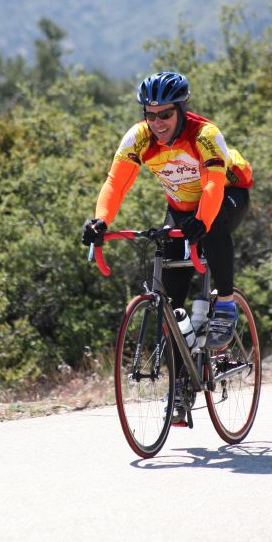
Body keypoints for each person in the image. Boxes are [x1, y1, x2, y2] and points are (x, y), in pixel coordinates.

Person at [82, 71, 252, 352]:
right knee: (170, 301)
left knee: (212, 227)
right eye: (151, 115)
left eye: (165, 114)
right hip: (181, 206)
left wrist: (202, 221)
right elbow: (116, 183)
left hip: (227, 194)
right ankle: (182, 380)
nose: (157, 122)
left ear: (182, 109)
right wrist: (101, 220)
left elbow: (213, 185)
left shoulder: (204, 134)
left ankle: (225, 303)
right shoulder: (139, 137)